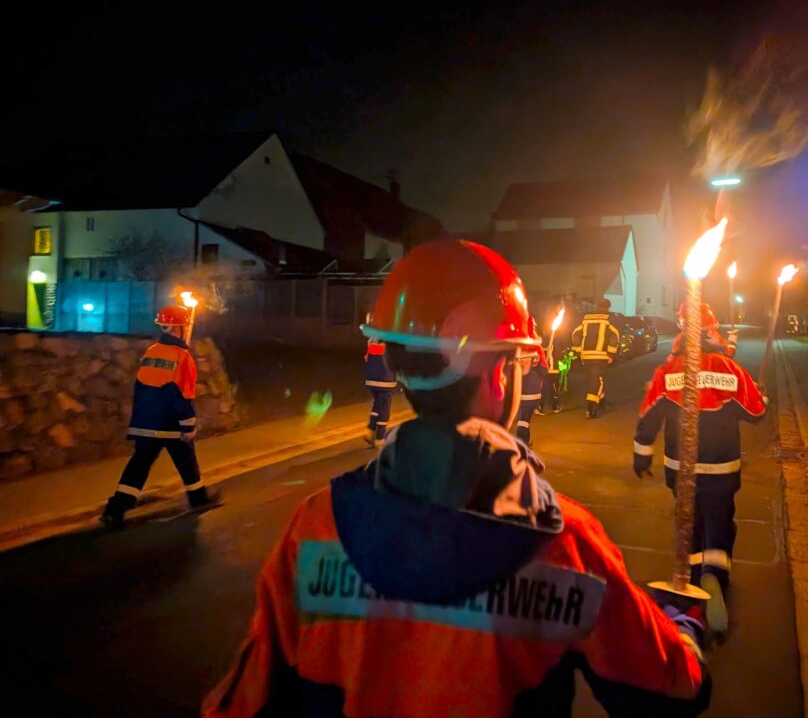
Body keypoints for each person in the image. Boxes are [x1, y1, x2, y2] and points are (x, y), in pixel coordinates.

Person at [204, 240, 710, 717]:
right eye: (517, 360)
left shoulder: (313, 529)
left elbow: (244, 704)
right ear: (496, 373)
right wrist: (683, 625)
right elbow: (668, 689)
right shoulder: (566, 546)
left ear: (399, 366)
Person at [632, 331, 766, 632]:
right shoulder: (729, 368)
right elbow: (756, 411)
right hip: (721, 467)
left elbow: (648, 416)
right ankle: (714, 575)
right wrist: (763, 394)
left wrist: (641, 457)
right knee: (719, 519)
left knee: (688, 519)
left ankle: (691, 579)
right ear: (714, 338)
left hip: (680, 468)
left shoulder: (669, 370)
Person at [100, 305, 217, 526]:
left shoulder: (152, 351)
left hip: (146, 422)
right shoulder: (182, 357)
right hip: (170, 424)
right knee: (186, 461)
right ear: (177, 328)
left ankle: (116, 509)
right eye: (185, 326)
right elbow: (182, 396)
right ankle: (199, 499)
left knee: (139, 465)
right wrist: (188, 426)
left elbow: (144, 388)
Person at [571, 298, 619, 419]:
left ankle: (602, 402)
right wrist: (611, 354)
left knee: (594, 378)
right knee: (596, 381)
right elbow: (615, 336)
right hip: (600, 356)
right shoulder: (609, 318)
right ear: (608, 307)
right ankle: (591, 409)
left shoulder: (586, 318)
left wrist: (578, 351)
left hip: (586, 356)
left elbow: (576, 334)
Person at [363, 333, 398, 447]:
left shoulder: (372, 339)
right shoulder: (391, 339)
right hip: (385, 379)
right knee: (384, 408)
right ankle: (380, 437)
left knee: (377, 405)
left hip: (372, 377)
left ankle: (370, 429)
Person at [516, 345, 545, 445]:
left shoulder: (515, 348)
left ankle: (523, 442)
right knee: (524, 420)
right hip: (531, 394)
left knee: (523, 419)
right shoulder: (537, 349)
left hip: (522, 394)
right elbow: (544, 372)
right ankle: (524, 443)